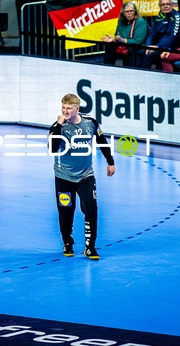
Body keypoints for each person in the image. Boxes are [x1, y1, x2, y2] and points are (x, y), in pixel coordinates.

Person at [48, 93, 115, 260]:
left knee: (91, 209)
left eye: (69, 108)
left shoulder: (90, 123)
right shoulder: (57, 126)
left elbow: (102, 141)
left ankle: (90, 247)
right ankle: (67, 242)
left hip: (86, 175)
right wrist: (58, 125)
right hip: (63, 176)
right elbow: (52, 149)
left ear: (77, 109)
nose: (65, 111)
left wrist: (110, 161)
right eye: (63, 108)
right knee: (65, 212)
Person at [136, 0, 180, 69]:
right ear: (159, 6)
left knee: (149, 56)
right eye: (163, 4)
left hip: (170, 47)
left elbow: (173, 38)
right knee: (140, 53)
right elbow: (151, 34)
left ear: (172, 5)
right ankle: (136, 73)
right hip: (157, 46)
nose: (165, 6)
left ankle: (144, 75)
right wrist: (148, 46)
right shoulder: (159, 17)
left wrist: (157, 47)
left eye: (168, 4)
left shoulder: (177, 17)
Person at [102, 2, 148, 66]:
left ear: (135, 12)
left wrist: (122, 40)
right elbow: (118, 35)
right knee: (110, 47)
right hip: (125, 44)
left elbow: (138, 41)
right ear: (123, 13)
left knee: (131, 50)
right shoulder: (121, 21)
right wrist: (114, 39)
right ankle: (108, 68)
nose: (129, 13)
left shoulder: (140, 21)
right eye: (127, 11)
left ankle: (128, 70)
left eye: (131, 11)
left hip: (139, 45)